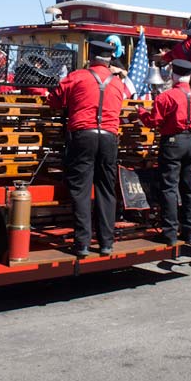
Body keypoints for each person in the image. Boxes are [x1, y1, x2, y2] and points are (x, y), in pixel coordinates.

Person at [48, 40, 126, 257]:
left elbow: (54, 100)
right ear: (109, 59)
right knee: (106, 190)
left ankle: (82, 243)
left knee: (81, 190)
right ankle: (106, 243)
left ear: (90, 57)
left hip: (83, 135)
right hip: (109, 137)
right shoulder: (118, 83)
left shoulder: (77, 76)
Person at [135, 59, 191, 246]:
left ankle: (170, 233)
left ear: (174, 75)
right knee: (190, 188)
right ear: (189, 76)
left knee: (169, 187)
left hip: (173, 143)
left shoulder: (167, 96)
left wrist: (140, 112)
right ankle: (190, 232)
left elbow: (153, 121)